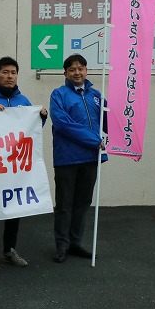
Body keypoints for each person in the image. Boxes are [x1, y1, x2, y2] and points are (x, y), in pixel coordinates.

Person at [0, 57, 47, 270]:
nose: (9, 76)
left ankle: (9, 249)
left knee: (15, 205)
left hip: (14, 166)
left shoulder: (23, 101)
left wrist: (41, 117)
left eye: (13, 72)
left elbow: (30, 130)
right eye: (5, 72)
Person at [49, 53, 107, 263]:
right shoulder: (59, 95)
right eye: (72, 69)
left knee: (82, 203)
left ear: (86, 71)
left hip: (90, 159)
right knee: (64, 205)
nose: (77, 72)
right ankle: (62, 245)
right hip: (67, 159)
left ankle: (75, 242)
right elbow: (63, 124)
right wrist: (93, 140)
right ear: (65, 73)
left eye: (80, 68)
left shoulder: (97, 96)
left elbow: (107, 123)